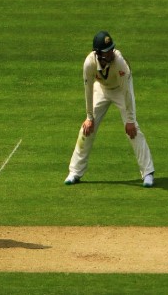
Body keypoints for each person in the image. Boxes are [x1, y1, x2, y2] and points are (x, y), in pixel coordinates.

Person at [65, 31, 155, 187]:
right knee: (86, 130)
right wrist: (89, 117)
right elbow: (88, 89)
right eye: (107, 51)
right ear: (98, 53)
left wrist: (130, 120)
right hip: (101, 90)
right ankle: (75, 172)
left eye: (112, 49)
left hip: (120, 90)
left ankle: (147, 173)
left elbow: (128, 92)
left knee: (133, 131)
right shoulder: (89, 63)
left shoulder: (120, 64)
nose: (111, 53)